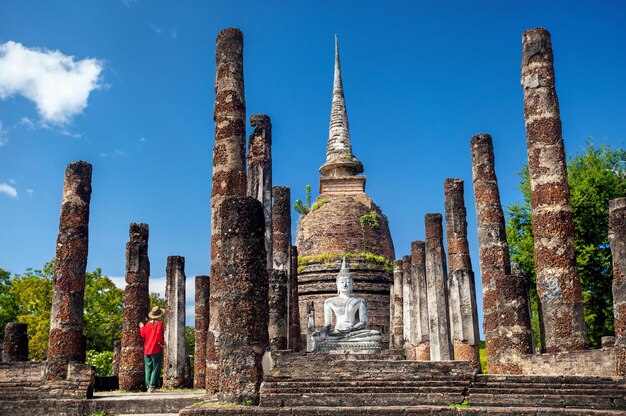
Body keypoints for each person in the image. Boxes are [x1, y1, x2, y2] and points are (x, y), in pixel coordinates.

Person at [139, 306, 165, 393]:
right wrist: (162, 343)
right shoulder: (159, 324)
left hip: (147, 349)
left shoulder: (147, 324)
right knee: (156, 367)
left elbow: (143, 334)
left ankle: (148, 386)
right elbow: (158, 335)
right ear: (159, 315)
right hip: (156, 348)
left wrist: (141, 327)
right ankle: (152, 386)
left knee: (148, 368)